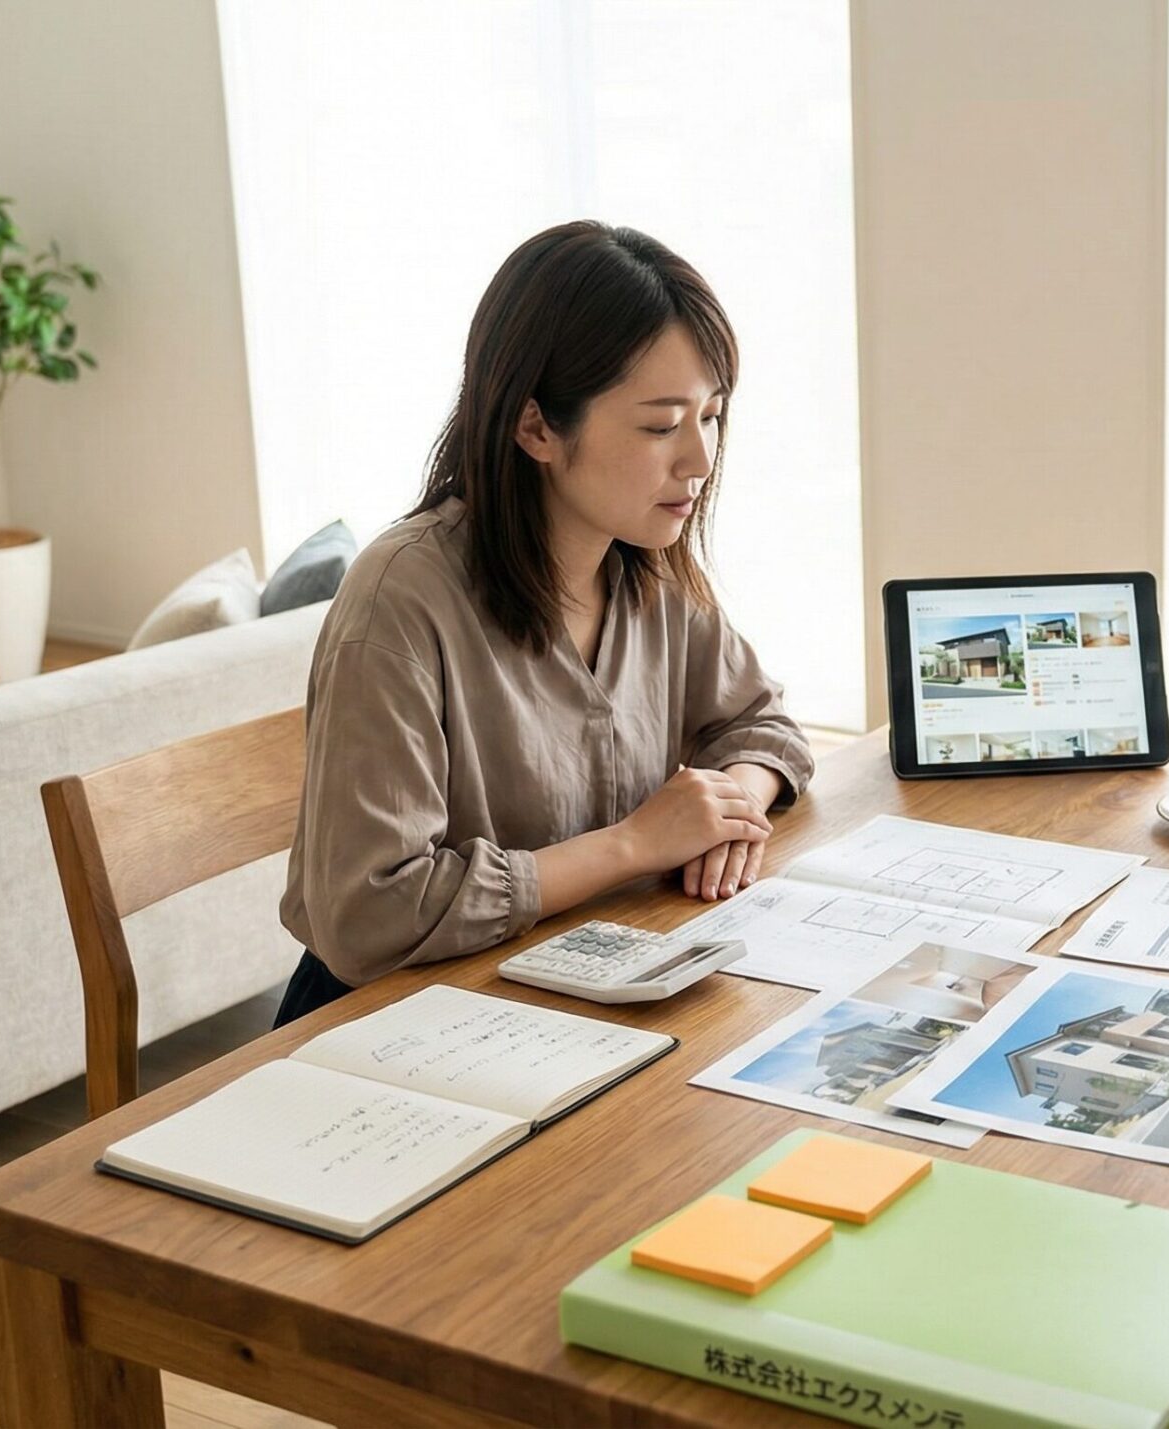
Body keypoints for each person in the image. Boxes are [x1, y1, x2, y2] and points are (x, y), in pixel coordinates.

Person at [275, 221, 813, 1025]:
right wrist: (634, 845)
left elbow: (759, 721)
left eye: (711, 417)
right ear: (536, 428)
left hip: (578, 987)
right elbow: (369, 915)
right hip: (396, 1021)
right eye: (662, 425)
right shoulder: (401, 599)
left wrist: (729, 808)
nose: (698, 461)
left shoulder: (646, 560)